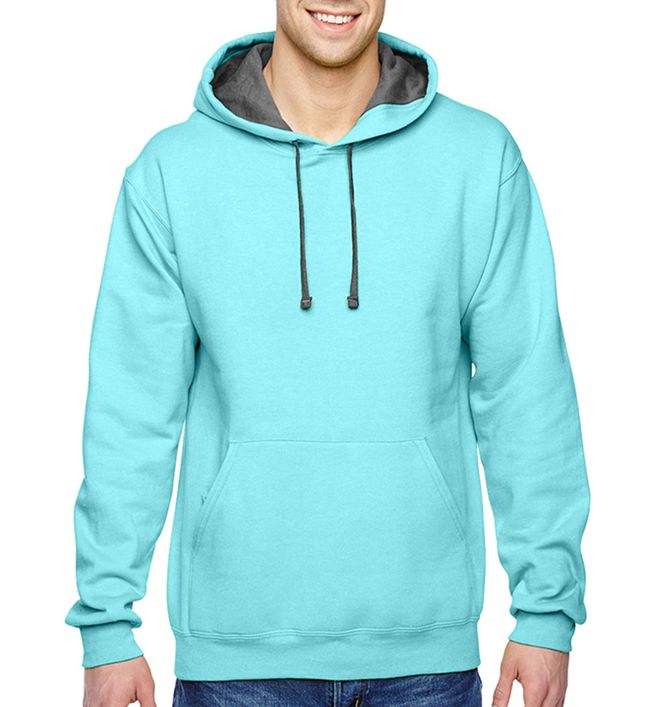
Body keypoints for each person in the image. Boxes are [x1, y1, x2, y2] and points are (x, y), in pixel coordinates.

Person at [66, 2, 590, 705]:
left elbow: (527, 391)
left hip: (427, 663)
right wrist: (106, 622)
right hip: (235, 667)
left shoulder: (477, 159)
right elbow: (132, 413)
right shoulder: (172, 172)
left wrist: (547, 611)